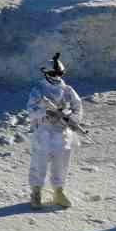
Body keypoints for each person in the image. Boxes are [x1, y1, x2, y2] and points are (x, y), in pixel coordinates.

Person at [26, 52, 83, 209]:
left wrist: (71, 119)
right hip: (43, 132)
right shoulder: (38, 90)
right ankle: (36, 192)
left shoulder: (68, 90)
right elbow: (31, 110)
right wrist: (45, 113)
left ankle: (58, 191)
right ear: (46, 73)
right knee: (39, 162)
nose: (57, 76)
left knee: (61, 163)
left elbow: (78, 107)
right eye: (53, 73)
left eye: (60, 73)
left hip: (62, 133)